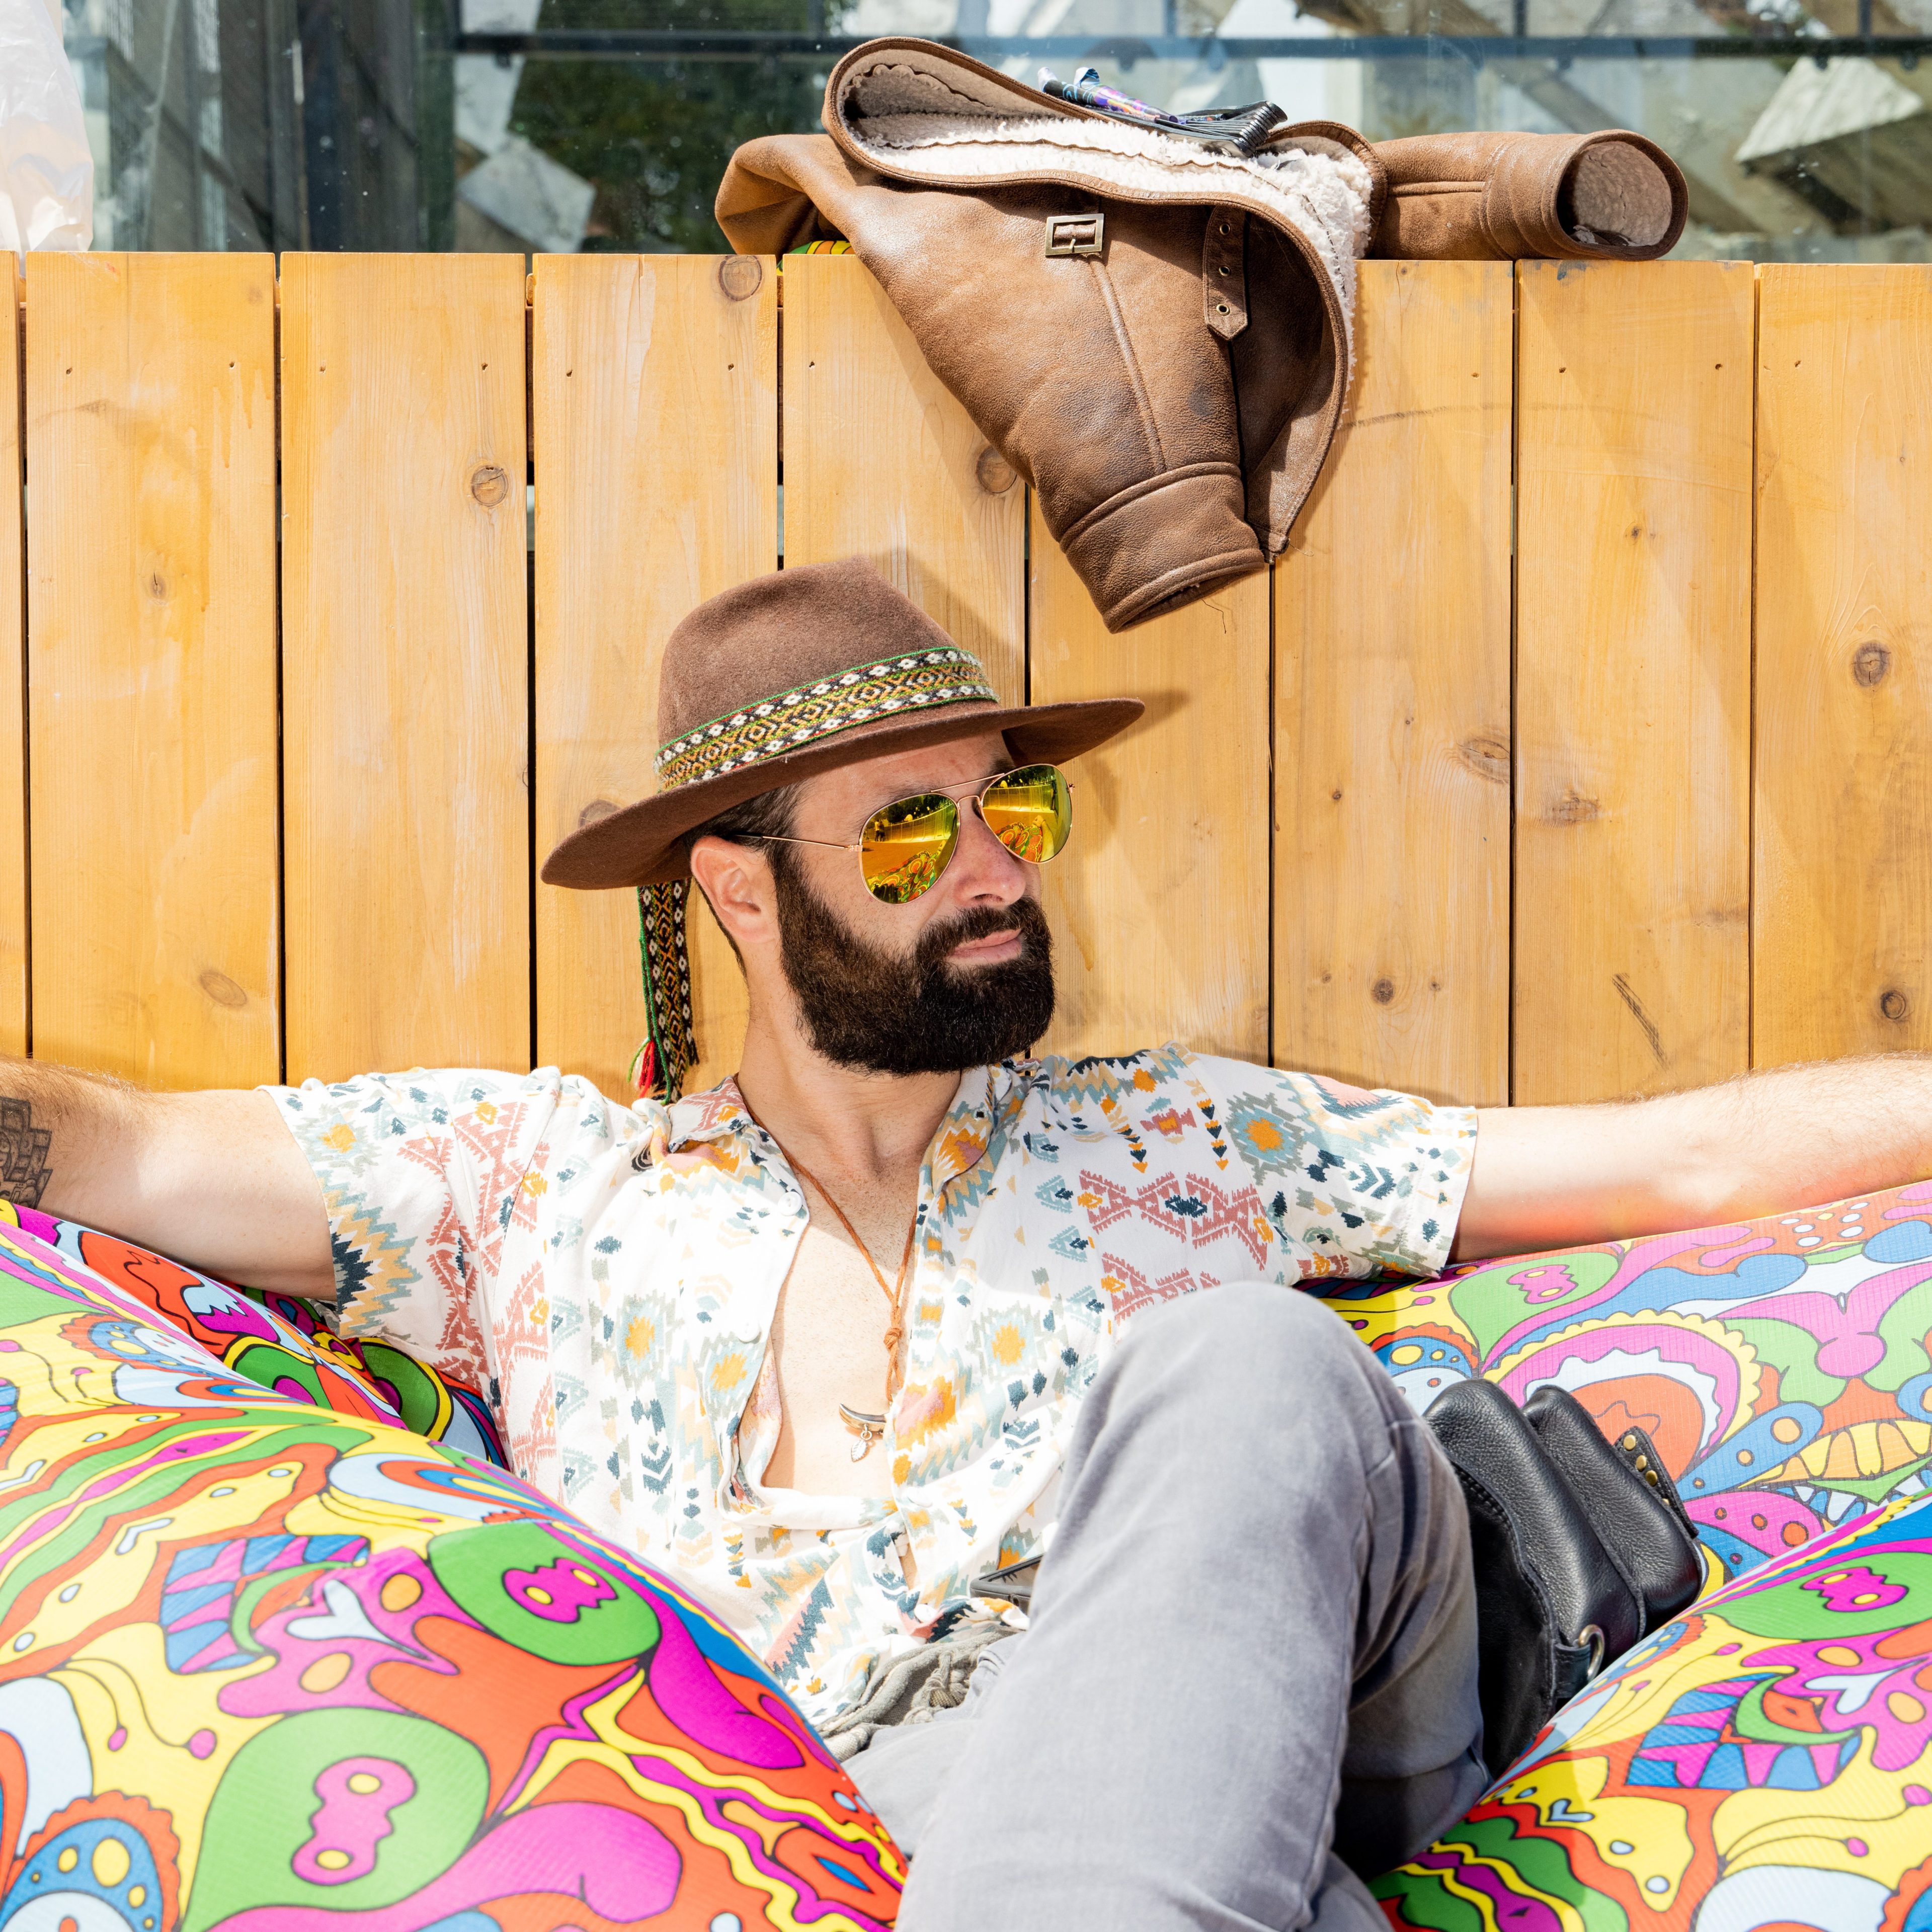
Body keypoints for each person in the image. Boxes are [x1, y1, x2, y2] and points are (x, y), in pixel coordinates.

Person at [8, 557, 1932, 1930]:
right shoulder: (521, 1175)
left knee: (1242, 1360)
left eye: (1014, 803)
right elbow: (123, 1153)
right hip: (876, 1802)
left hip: (1303, 1674)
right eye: (913, 837)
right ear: (737, 891)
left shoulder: (1181, 1130)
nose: (1003, 868)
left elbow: (1673, 1169)